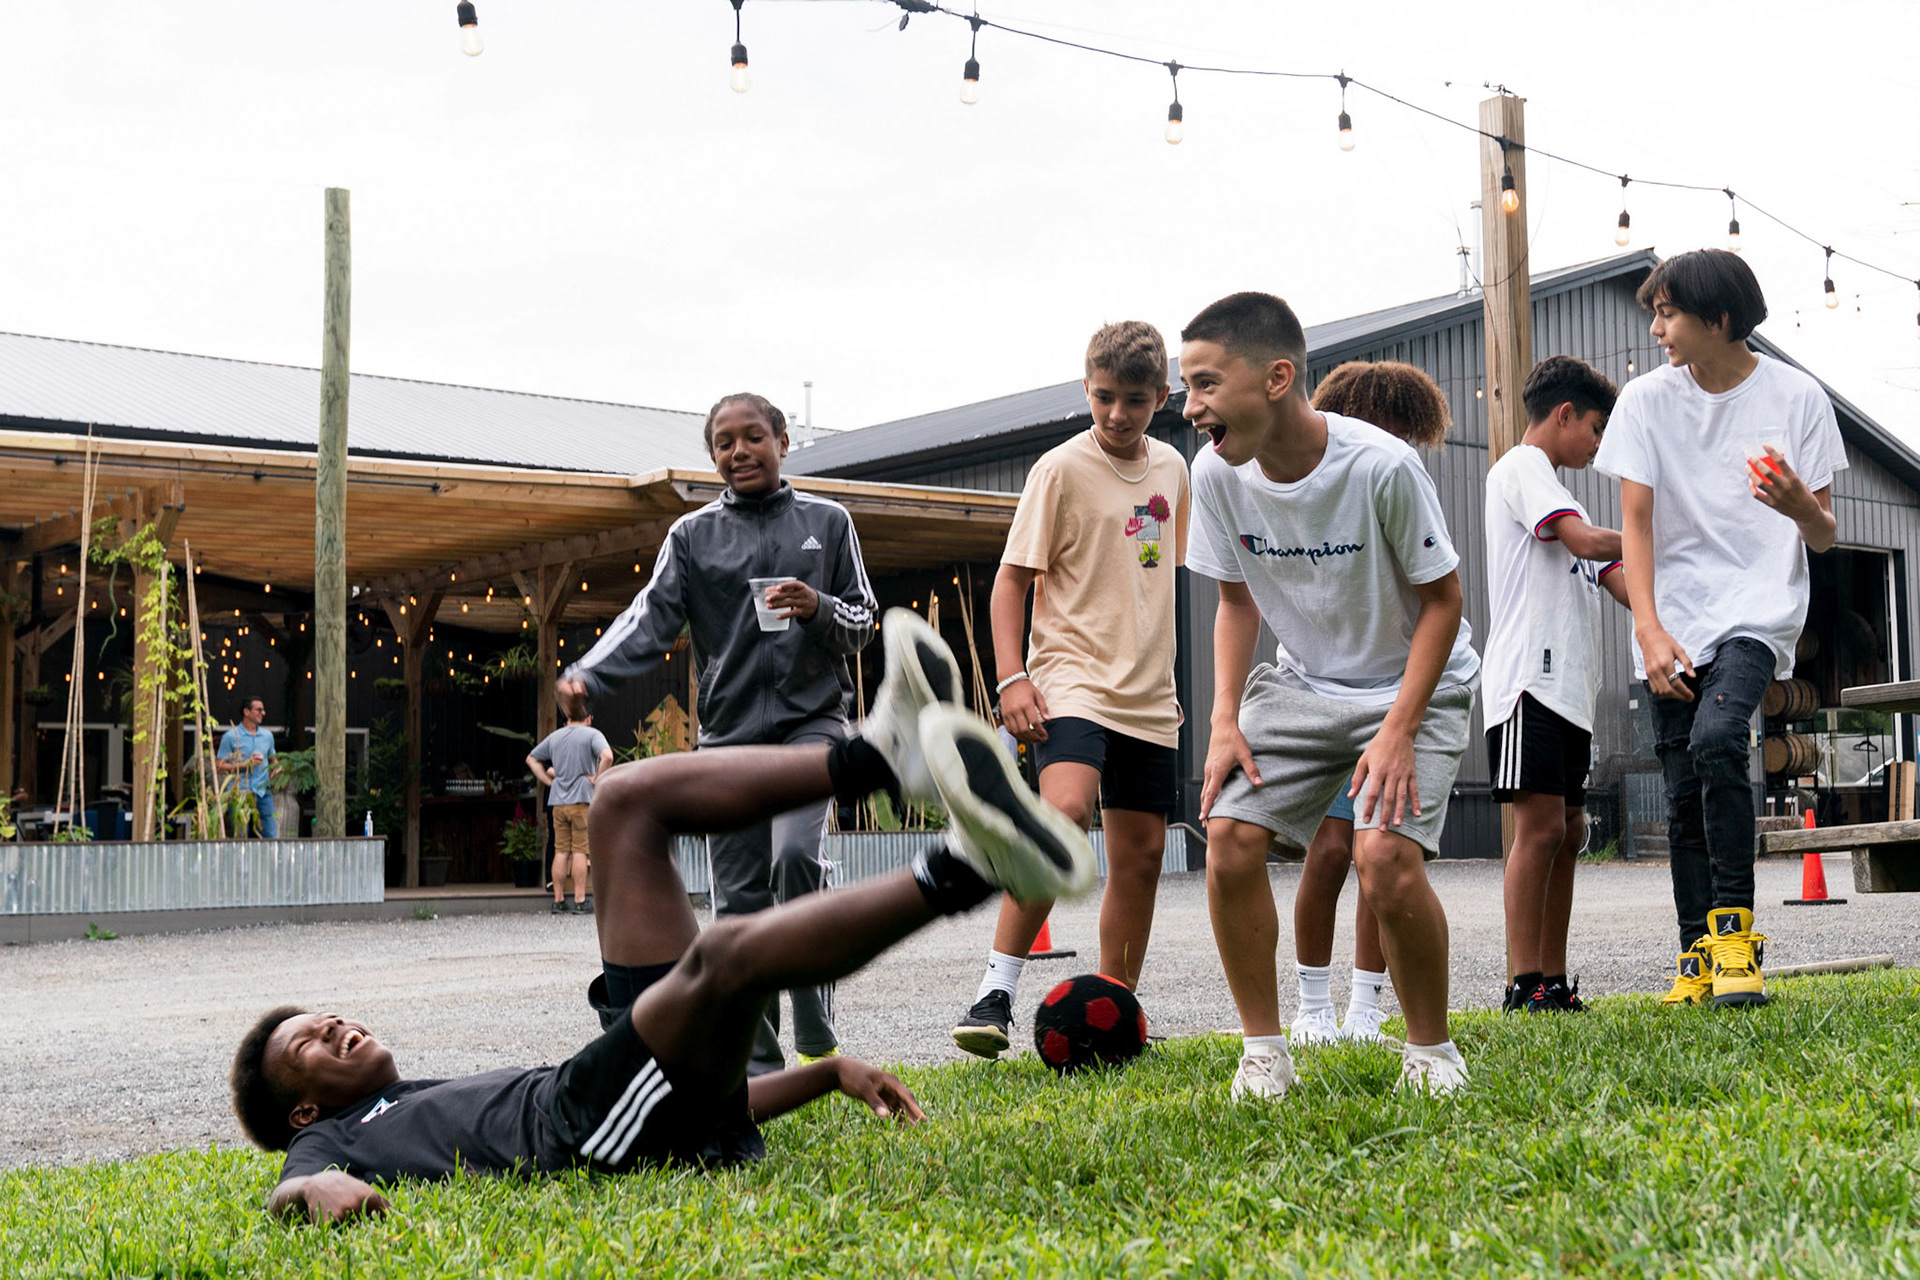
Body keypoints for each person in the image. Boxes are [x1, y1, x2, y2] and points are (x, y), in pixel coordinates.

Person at [228, 610, 1094, 1223]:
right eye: (309, 1043)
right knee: (727, 955)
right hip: (584, 1124)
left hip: (612, 1088)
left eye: (325, 1016)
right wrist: (315, 1194)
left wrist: (826, 1074)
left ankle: (877, 755)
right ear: (303, 1112)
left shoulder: (405, 1103)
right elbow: (286, 1190)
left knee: (626, 799)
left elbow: (695, 1097)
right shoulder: (329, 1144)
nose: (335, 1025)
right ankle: (973, 865)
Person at [1180, 292, 1481, 1098]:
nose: (1190, 406)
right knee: (1230, 840)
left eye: (1206, 384)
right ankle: (1265, 1052)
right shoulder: (1214, 474)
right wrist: (1222, 722)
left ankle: (1431, 1053)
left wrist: (1397, 729)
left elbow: (1446, 603)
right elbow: (1236, 602)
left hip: (1418, 681)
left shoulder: (1380, 466)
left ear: (1277, 377)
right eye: (1187, 386)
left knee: (1382, 859)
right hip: (1304, 684)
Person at [558, 393, 877, 1073]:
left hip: (811, 727)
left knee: (795, 858)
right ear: (713, 458)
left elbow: (862, 622)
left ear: (783, 442)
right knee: (736, 902)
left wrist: (817, 606)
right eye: (724, 443)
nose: (739, 452)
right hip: (728, 741)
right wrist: (592, 672)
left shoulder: (829, 521)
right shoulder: (693, 536)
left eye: (753, 437)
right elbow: (651, 620)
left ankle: (815, 1023)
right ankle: (758, 1062)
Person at [1593, 249, 1842, 1008]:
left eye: (1668, 314)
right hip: (1672, 619)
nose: (1657, 328)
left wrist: (1797, 504)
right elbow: (1634, 526)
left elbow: (1825, 535)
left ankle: (1737, 939)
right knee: (1679, 793)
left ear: (1720, 319)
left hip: (1756, 612)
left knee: (1714, 742)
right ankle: (1697, 957)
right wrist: (1648, 629)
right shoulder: (1644, 403)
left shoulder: (1798, 398)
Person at [950, 320, 1190, 1058]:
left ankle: (1117, 1012)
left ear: (1163, 398)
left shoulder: (1175, 471)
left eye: (1137, 402)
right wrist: (1011, 676)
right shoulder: (1058, 469)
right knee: (1064, 815)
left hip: (1149, 696)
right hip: (1069, 681)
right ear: (1085, 388)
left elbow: (1159, 576)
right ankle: (996, 990)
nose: (1118, 415)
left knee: (1143, 855)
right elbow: (1011, 582)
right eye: (1106, 397)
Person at [1286, 360, 1453, 1046]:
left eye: (1406, 434)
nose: (1397, 444)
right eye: (1388, 429)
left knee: (1377, 851)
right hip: (1326, 692)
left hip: (1397, 692)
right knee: (1328, 852)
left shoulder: (1401, 484)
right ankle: (1312, 1005)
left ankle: (1365, 1007)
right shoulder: (1316, 485)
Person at [1483, 356, 1625, 1014]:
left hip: (1570, 692)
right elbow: (1594, 544)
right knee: (1539, 832)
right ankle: (1523, 983)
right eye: (1596, 428)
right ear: (1563, 414)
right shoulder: (1522, 469)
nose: (1598, 444)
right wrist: (1657, 534)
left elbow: (1617, 576)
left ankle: (1555, 981)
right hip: (1528, 685)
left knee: (1570, 832)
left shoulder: (1564, 493)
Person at [527, 709, 614, 914]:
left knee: (561, 850)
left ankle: (558, 901)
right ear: (589, 718)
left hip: (558, 802)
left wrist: (549, 781)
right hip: (581, 801)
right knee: (580, 851)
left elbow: (531, 759)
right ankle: (580, 900)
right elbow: (607, 757)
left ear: (568, 718)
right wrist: (596, 779)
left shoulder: (555, 736)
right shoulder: (592, 734)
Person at [216, 696, 277, 837]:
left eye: (263, 710)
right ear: (246, 712)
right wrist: (244, 764)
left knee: (270, 835)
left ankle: (269, 859)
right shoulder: (231, 736)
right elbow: (219, 766)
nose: (263, 713)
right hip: (240, 794)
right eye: (259, 710)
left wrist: (277, 770)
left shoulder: (267, 736)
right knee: (241, 836)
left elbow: (274, 760)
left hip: (263, 793)